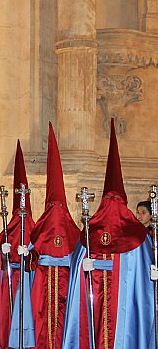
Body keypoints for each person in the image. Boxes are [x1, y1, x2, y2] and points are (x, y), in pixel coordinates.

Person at [62, 119, 155, 348]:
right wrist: (84, 265)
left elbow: (143, 280)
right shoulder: (131, 235)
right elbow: (77, 267)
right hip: (96, 299)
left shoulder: (133, 235)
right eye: (110, 200)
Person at [28, 123, 80, 348]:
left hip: (64, 280)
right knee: (42, 315)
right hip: (45, 279)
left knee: (65, 313)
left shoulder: (62, 225)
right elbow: (32, 255)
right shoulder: (44, 225)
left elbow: (79, 251)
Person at [0, 141, 36, 348]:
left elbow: (40, 257)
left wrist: (29, 254)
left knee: (26, 312)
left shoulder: (34, 228)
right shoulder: (8, 229)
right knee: (6, 313)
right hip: (10, 280)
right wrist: (2, 253)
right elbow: (0, 263)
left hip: (28, 281)